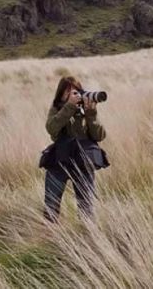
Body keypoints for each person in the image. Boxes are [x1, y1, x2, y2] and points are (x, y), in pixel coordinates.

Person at [43, 75, 107, 222]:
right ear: (61, 94)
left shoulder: (86, 110)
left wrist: (91, 114)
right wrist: (69, 107)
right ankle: (49, 233)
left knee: (86, 207)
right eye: (69, 92)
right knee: (51, 204)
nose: (74, 95)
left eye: (76, 91)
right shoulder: (57, 108)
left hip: (83, 160)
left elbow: (100, 136)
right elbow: (51, 128)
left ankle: (87, 235)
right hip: (60, 159)